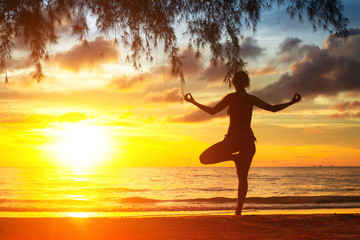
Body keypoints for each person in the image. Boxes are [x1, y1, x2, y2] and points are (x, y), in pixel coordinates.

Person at [184, 70, 301, 215]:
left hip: (233, 141)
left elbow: (212, 111)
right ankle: (238, 210)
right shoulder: (250, 98)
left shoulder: (231, 98)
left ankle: (234, 159)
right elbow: (273, 109)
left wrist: (193, 102)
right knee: (242, 178)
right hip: (247, 142)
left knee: (204, 158)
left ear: (233, 82)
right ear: (246, 83)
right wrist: (292, 102)